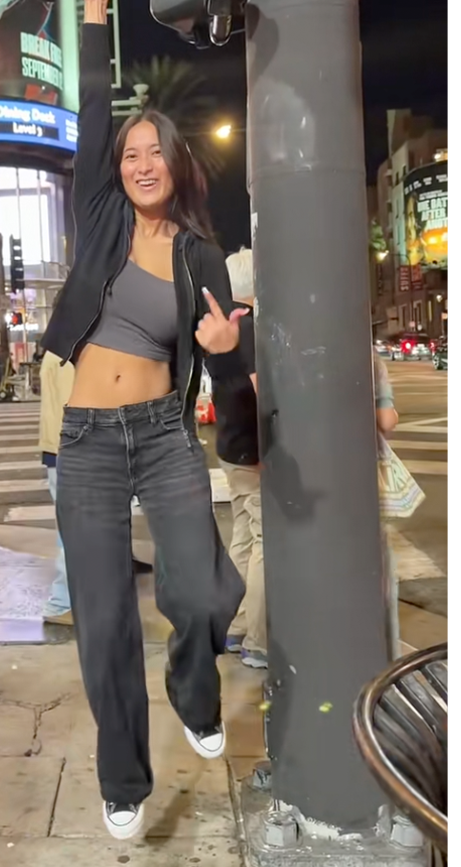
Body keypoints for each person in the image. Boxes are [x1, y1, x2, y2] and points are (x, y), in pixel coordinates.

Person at [41, 0, 250, 841]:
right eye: (128, 153)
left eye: (152, 151)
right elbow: (91, 113)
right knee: (103, 626)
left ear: (177, 163)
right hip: (87, 437)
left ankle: (195, 691)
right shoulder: (98, 220)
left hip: (165, 431)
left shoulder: (203, 255)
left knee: (201, 595)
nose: (137, 163)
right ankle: (123, 777)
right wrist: (95, 9)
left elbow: (232, 371)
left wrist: (228, 349)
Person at [213, 249, 265, 669]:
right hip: (254, 449)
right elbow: (258, 389)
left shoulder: (220, 328)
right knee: (265, 542)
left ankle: (234, 625)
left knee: (243, 537)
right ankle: (259, 640)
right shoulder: (247, 329)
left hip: (230, 446)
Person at [39, 350, 77, 625]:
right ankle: (62, 602)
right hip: (72, 451)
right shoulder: (69, 350)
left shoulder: (63, 346)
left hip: (66, 449)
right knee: (75, 532)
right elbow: (74, 405)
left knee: (74, 531)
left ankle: (65, 601)